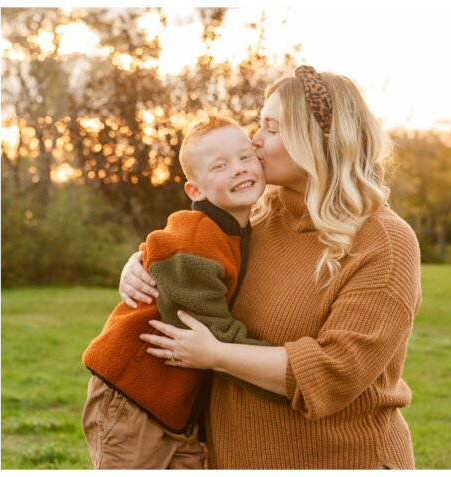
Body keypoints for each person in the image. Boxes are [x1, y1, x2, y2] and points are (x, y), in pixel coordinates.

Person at [121, 67, 422, 469]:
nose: (255, 140)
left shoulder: (384, 242)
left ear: (317, 139)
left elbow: (336, 373)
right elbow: (188, 253)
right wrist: (142, 264)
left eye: (272, 128)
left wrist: (216, 354)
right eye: (258, 125)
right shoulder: (256, 215)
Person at [82, 116, 283, 470]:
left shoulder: (238, 230)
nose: (237, 169)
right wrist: (284, 372)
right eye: (220, 166)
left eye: (244, 157)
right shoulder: (196, 238)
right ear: (196, 191)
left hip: (172, 404)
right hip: (132, 394)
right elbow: (210, 330)